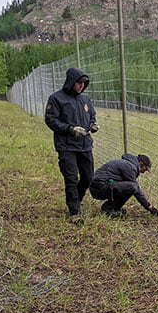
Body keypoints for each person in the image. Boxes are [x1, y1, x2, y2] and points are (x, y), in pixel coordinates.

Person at [45, 67, 98, 223]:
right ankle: (74, 212)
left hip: (85, 144)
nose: (81, 86)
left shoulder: (85, 99)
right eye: (79, 83)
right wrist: (70, 129)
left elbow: (91, 115)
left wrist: (93, 125)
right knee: (71, 178)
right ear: (71, 82)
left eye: (84, 83)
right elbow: (50, 119)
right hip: (66, 145)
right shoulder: (56, 99)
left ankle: (77, 200)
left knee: (88, 177)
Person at [89, 153, 158, 218]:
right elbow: (136, 190)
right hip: (99, 187)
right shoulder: (130, 167)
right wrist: (149, 207)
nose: (145, 171)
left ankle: (113, 207)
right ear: (141, 164)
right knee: (132, 187)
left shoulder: (128, 164)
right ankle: (108, 209)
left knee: (128, 187)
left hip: (99, 186)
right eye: (146, 168)